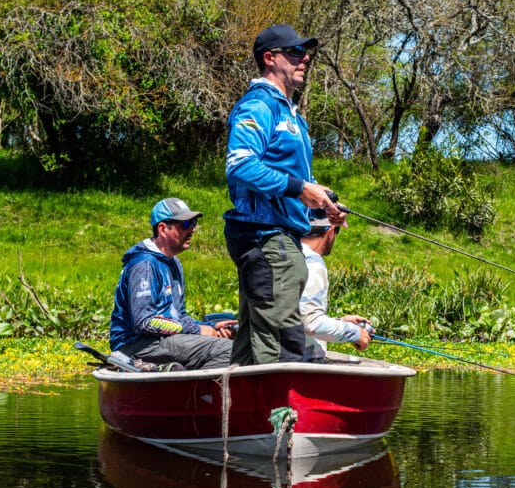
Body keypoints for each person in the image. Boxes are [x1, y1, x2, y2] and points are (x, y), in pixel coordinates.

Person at [224, 24, 345, 366]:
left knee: (254, 337)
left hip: (282, 235)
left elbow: (298, 183)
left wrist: (324, 208)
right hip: (265, 235)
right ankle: (283, 415)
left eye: (306, 53)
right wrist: (300, 188)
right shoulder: (259, 105)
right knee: (282, 337)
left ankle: (241, 413)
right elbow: (241, 166)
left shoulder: (293, 116)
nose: (305, 58)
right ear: (269, 58)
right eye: (295, 52)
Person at [110, 197, 233, 369]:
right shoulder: (144, 264)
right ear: (163, 228)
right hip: (137, 344)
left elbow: (178, 316)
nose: (192, 229)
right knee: (228, 350)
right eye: (184, 224)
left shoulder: (173, 262)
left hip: (161, 341)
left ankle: (179, 378)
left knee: (233, 343)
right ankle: (191, 393)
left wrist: (210, 327)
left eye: (193, 222)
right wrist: (198, 331)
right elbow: (145, 322)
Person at [300, 216, 373, 360]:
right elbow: (310, 323)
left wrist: (339, 322)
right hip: (298, 366)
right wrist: (356, 333)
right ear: (331, 231)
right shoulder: (312, 262)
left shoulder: (286, 254)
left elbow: (293, 317)